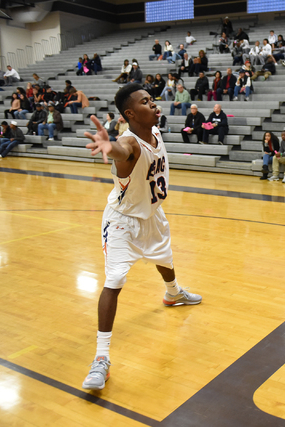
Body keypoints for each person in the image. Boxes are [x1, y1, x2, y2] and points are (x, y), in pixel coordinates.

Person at [81, 84, 202, 390]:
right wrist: (110, 149)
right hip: (123, 222)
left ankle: (173, 294)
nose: (154, 105)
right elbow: (123, 151)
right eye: (146, 102)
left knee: (166, 257)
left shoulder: (156, 132)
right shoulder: (128, 143)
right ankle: (101, 358)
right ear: (130, 114)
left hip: (152, 213)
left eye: (152, 99)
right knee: (115, 280)